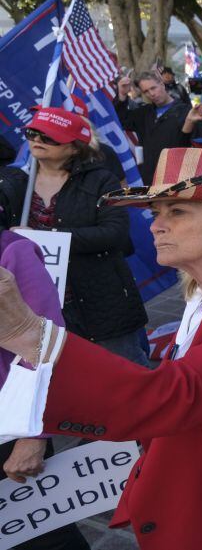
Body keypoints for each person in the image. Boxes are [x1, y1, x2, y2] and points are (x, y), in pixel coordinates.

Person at [0, 147, 202, 549]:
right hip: (199, 502)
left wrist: (33, 336)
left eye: (177, 212)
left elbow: (179, 394)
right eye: (156, 213)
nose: (156, 226)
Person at [8, 106, 149, 365]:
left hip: (100, 301)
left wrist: (44, 237)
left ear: (74, 147)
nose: (37, 140)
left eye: (48, 136)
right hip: (40, 304)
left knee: (126, 374)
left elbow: (114, 233)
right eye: (32, 133)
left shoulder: (100, 181)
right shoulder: (14, 182)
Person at [0, 229, 91, 550]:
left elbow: (47, 348)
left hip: (10, 429)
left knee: (41, 536)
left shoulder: (13, 252)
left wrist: (34, 437)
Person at [115, 71, 192, 182]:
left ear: (162, 84)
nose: (151, 94)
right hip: (149, 179)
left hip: (177, 178)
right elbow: (121, 120)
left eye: (153, 88)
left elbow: (197, 145)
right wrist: (122, 95)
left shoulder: (186, 112)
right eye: (146, 91)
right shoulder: (144, 113)